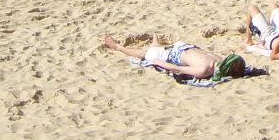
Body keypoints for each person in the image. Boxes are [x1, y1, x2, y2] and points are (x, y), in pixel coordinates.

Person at [102, 35, 247, 81]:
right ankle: (156, 45)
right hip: (180, 49)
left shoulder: (206, 68)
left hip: (176, 52)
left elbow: (178, 69)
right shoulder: (214, 63)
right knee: (154, 50)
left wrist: (159, 63)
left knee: (144, 54)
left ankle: (117, 47)